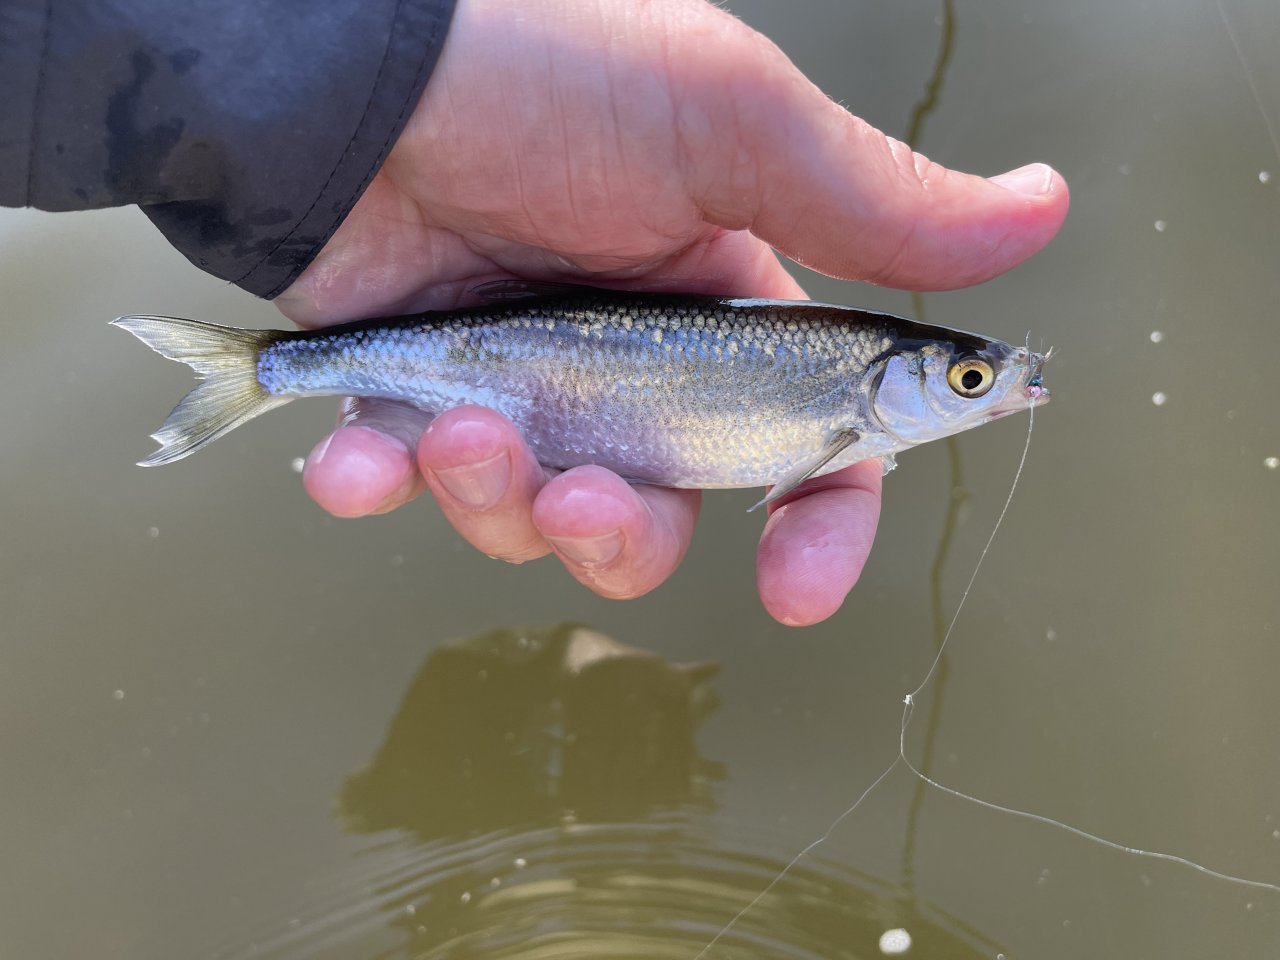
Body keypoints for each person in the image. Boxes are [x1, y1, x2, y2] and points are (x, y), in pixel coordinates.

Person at [2, 0, 1068, 625]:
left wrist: (385, 87)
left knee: (544, 495)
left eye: (971, 379)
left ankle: (264, 368)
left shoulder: (852, 416)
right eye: (967, 380)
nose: (983, 391)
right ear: (889, 382)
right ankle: (261, 369)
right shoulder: (841, 419)